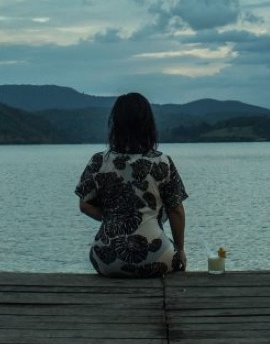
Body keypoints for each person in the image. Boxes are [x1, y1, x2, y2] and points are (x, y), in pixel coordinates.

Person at [75, 92, 188, 277]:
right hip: (156, 257)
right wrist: (180, 250)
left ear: (115, 124)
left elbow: (84, 205)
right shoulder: (162, 162)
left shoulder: (98, 161)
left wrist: (113, 219)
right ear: (149, 124)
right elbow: (176, 211)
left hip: (105, 259)